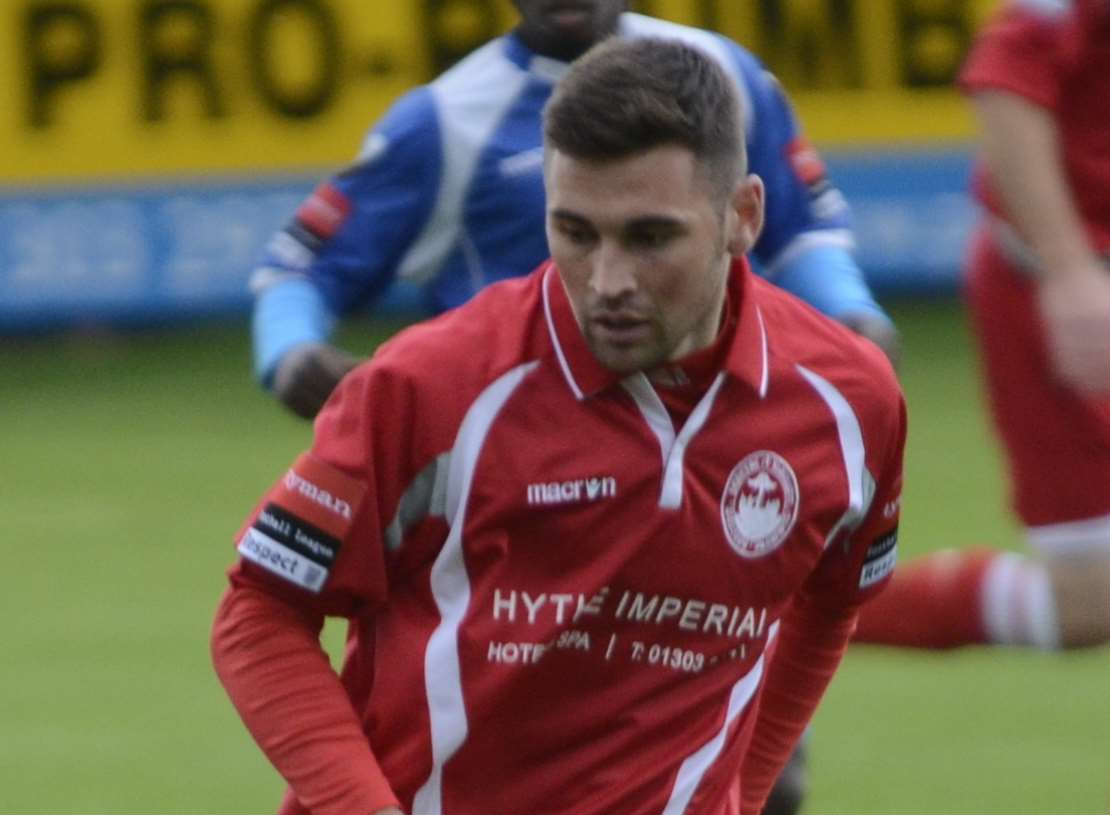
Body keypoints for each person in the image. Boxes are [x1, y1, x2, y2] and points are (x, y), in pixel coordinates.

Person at [213, 38, 907, 815]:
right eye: (576, 232)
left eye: (649, 238)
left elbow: (834, 601)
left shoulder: (849, 402)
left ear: (743, 215)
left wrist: (742, 791)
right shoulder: (428, 388)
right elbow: (260, 612)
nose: (608, 282)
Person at [251, 0, 898, 420]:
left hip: (710, 438)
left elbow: (799, 225)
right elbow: (301, 266)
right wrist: (292, 353)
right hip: (514, 458)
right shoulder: (442, 123)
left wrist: (853, 316)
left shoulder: (724, 77)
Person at [853, 0, 1110, 652]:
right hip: (1065, 293)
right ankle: (794, 620)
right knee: (1091, 599)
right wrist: (1070, 270)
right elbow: (1006, 79)